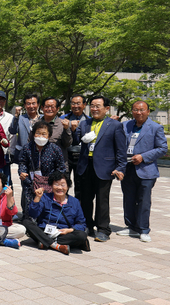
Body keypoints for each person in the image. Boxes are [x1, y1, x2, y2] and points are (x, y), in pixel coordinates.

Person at [77, 95, 126, 242]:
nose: (94, 109)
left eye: (98, 106)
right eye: (92, 106)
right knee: (85, 199)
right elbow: (76, 139)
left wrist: (120, 167)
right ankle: (87, 226)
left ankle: (103, 229)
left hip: (105, 167)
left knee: (102, 200)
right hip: (86, 166)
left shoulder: (115, 125)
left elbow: (121, 150)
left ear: (107, 108)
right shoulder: (85, 123)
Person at [118, 100, 167, 242]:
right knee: (128, 199)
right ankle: (131, 227)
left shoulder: (155, 127)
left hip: (146, 170)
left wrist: (143, 157)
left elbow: (162, 148)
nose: (138, 112)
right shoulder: (125, 125)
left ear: (148, 111)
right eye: (135, 110)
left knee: (144, 200)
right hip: (127, 169)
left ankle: (144, 229)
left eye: (142, 110)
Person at [26, 171, 89, 254]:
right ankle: (57, 246)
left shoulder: (75, 202)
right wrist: (37, 198)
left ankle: (45, 242)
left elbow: (82, 223)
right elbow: (33, 214)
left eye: (63, 185)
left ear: (68, 186)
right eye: (56, 184)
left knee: (82, 235)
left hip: (63, 234)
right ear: (51, 186)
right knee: (26, 222)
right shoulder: (45, 197)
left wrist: (69, 230)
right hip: (45, 231)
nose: (59, 188)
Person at [18, 121, 67, 213]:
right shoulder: (27, 147)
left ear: (49, 136)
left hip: (49, 184)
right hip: (31, 183)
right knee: (30, 210)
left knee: (47, 210)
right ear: (33, 134)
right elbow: (22, 163)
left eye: (44, 134)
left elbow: (61, 167)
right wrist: (22, 172)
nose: (40, 136)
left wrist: (54, 181)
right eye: (38, 133)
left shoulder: (55, 149)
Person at [61, 95, 90, 194]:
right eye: (73, 103)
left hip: (82, 156)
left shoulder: (89, 120)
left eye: (78, 103)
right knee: (64, 183)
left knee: (81, 186)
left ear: (84, 104)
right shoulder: (63, 119)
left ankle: (79, 207)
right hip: (66, 156)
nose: (75, 106)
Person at [9, 93, 41, 164]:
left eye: (33, 103)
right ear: (24, 105)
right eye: (28, 104)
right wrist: (16, 116)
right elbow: (12, 131)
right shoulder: (20, 118)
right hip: (23, 155)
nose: (31, 106)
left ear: (38, 104)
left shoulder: (43, 118)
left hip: (40, 154)